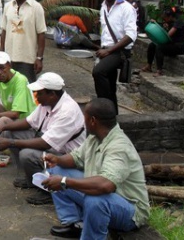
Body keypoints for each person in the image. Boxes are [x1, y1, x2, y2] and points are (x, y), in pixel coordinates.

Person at [0, 73, 85, 206]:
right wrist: (4, 128)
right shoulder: (49, 102)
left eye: (38, 93)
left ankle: (49, 191)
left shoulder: (67, 112)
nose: (35, 96)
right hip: (48, 140)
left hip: (67, 155)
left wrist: (10, 143)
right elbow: (29, 122)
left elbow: (45, 143)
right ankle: (31, 178)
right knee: (9, 131)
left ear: (51, 94)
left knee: (27, 154)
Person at [42, 98, 150, 239]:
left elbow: (105, 185)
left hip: (129, 211)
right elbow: (76, 158)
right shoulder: (95, 137)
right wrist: (57, 159)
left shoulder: (119, 147)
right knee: (56, 170)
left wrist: (64, 182)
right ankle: (74, 224)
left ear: (93, 120)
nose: (82, 120)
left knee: (95, 200)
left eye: (84, 117)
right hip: (105, 197)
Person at [92, 0, 137, 114]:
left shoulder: (126, 8)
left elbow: (131, 35)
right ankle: (113, 116)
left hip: (119, 52)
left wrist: (109, 51)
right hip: (107, 49)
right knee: (110, 85)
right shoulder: (103, 7)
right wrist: (102, 48)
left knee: (98, 72)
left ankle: (104, 109)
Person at [1, 0, 46, 83]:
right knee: (10, 89)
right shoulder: (8, 6)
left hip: (27, 59)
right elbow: (4, 30)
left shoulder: (36, 7)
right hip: (9, 57)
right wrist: (1, 53)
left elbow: (41, 34)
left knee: (27, 89)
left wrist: (39, 58)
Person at [141, 6, 184, 76]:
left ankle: (159, 70)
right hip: (172, 43)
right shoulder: (170, 22)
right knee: (152, 45)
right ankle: (149, 65)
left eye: (165, 18)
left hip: (180, 46)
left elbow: (168, 35)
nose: (164, 19)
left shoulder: (178, 22)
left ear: (170, 17)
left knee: (160, 48)